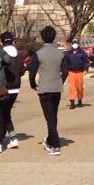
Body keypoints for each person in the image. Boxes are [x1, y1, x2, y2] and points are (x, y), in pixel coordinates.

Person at [28, 25, 67, 156]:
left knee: (49, 117)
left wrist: (33, 84)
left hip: (44, 88)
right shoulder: (60, 53)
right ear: (54, 37)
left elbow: (32, 73)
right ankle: (50, 139)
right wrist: (60, 80)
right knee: (53, 116)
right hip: (56, 87)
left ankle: (55, 145)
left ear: (43, 38)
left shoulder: (38, 54)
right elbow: (66, 71)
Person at [0, 31, 23, 147]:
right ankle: (2, 135)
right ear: (12, 41)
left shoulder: (1, 54)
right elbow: (22, 71)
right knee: (6, 111)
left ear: (1, 42)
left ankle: (13, 137)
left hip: (4, 87)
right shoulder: (19, 54)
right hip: (16, 87)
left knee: (4, 113)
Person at [65, 38, 89, 109]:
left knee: (79, 87)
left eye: (76, 42)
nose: (75, 44)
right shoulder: (68, 53)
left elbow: (86, 62)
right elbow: (65, 63)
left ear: (78, 44)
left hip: (79, 72)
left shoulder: (82, 52)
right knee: (71, 87)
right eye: (73, 42)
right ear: (72, 44)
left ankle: (79, 101)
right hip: (71, 72)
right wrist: (65, 71)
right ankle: (72, 103)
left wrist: (85, 70)